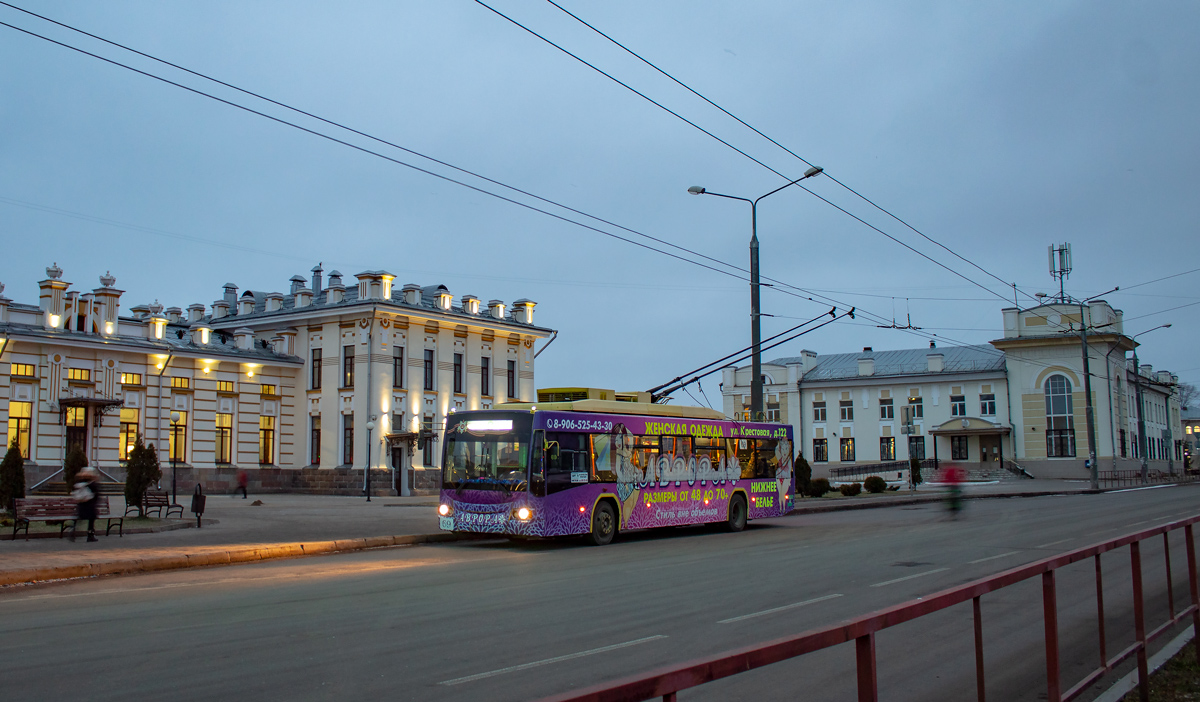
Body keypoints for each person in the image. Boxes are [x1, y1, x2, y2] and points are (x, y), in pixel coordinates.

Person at [71, 467, 100, 542]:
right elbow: (96, 494)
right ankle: (90, 535)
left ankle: (72, 531)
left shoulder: (79, 482)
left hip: (81, 504)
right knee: (91, 521)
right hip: (90, 505)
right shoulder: (92, 483)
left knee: (79, 518)